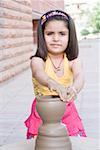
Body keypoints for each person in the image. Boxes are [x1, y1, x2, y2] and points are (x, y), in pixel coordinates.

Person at [24, 9, 87, 139]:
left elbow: (80, 76)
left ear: (71, 36)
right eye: (50, 33)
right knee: (42, 142)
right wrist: (52, 83)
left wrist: (74, 89)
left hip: (67, 109)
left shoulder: (72, 61)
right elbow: (39, 73)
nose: (56, 39)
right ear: (42, 36)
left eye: (62, 34)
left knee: (72, 142)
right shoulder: (37, 61)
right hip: (43, 111)